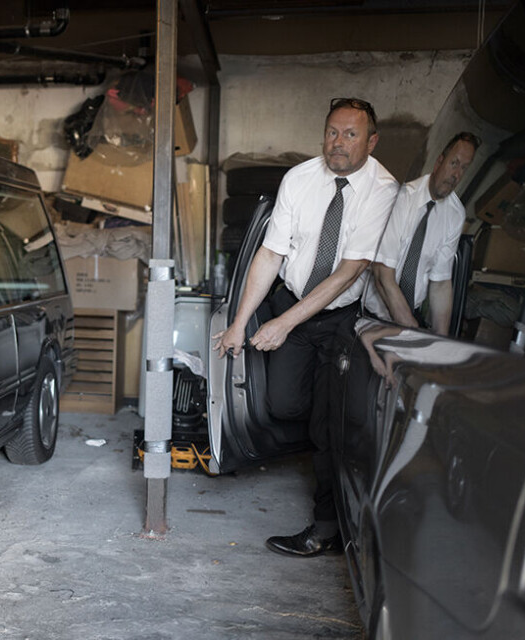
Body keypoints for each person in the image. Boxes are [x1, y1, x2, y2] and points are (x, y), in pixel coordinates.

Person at [213, 97, 398, 557]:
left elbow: (351, 271)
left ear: (372, 141)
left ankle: (326, 527)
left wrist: (281, 325)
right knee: (284, 403)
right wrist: (239, 323)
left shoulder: (383, 189)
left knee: (327, 428)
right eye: (332, 132)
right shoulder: (299, 178)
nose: (338, 143)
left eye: (351, 134)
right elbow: (270, 254)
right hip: (293, 301)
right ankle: (326, 429)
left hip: (340, 318)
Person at [364, 132, 480, 335]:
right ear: (439, 162)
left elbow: (440, 282)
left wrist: (439, 341)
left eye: (464, 168)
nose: (456, 175)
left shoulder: (455, 214)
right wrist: (411, 332)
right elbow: (382, 274)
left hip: (410, 317)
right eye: (454, 163)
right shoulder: (402, 197)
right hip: (371, 315)